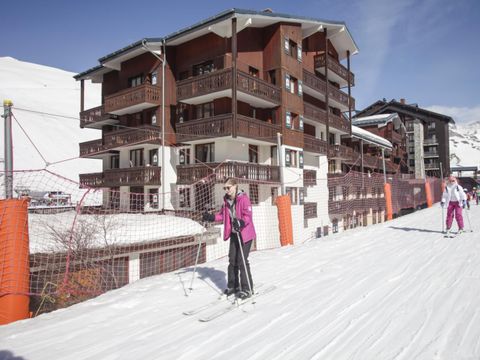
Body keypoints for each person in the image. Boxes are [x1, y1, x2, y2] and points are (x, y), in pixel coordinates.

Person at [203, 178, 256, 299]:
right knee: (232, 260)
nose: (227, 190)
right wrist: (211, 217)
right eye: (225, 188)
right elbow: (222, 215)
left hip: (245, 234)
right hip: (234, 233)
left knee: (241, 260)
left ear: (235, 186)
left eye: (228, 187)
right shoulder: (226, 201)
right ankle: (233, 286)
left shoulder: (244, 199)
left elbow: (248, 216)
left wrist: (241, 222)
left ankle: (247, 288)